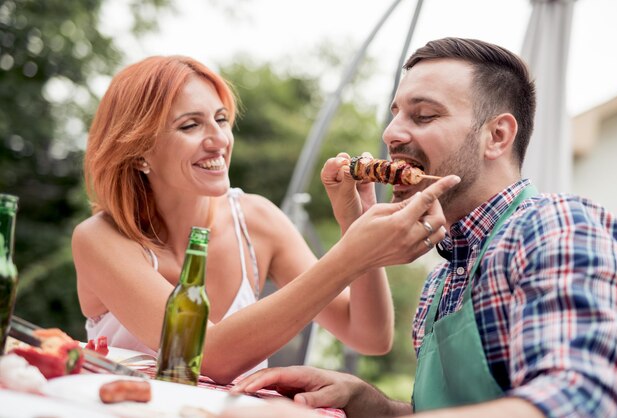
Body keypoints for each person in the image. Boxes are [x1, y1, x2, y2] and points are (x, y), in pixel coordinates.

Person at [222, 37, 617, 417]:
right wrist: (370, 402)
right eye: (396, 114)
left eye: (424, 115)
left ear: (497, 136)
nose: (391, 133)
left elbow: (578, 399)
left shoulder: (553, 227)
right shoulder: (442, 280)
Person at [72, 55, 461, 384]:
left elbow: (369, 336)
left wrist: (353, 226)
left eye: (221, 120)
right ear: (139, 153)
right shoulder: (100, 238)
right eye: (190, 125)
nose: (219, 139)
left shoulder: (257, 220)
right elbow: (204, 356)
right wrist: (348, 257)